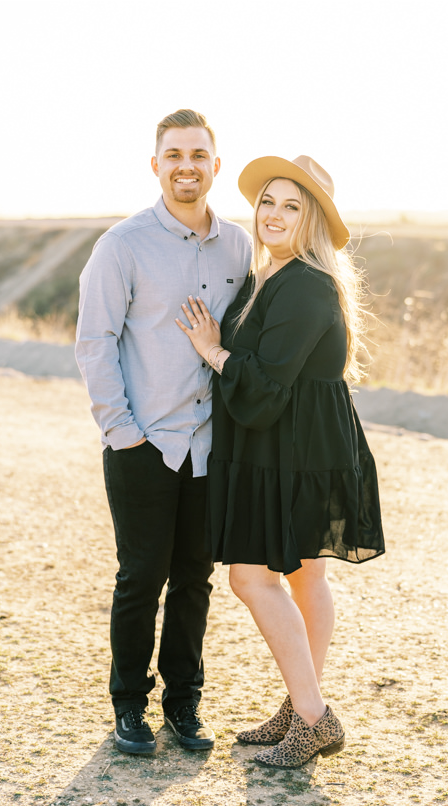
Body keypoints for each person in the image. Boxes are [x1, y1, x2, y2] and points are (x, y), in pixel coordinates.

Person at [177, 154, 385, 769]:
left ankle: (315, 717)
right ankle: (301, 706)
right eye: (269, 200)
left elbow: (264, 388)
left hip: (296, 451)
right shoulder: (270, 273)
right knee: (304, 577)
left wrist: (213, 351)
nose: (274, 213)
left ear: (313, 220)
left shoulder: (307, 283)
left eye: (292, 205)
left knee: (251, 578)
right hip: (289, 445)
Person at [75, 109, 252, 754]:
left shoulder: (239, 245)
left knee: (195, 581)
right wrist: (121, 431)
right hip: (143, 443)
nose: (186, 166)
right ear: (156, 165)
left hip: (211, 447)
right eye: (173, 155)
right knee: (140, 578)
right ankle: (129, 705)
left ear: (215, 165)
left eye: (198, 155)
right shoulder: (121, 245)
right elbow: (94, 342)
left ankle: (184, 704)